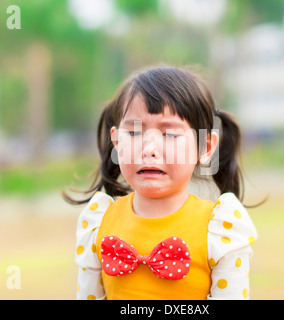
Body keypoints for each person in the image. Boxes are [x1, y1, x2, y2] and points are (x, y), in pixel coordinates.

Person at [63, 65, 258, 300]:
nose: (149, 149)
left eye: (170, 134)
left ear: (205, 147)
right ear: (116, 141)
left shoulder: (221, 229)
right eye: (134, 132)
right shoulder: (99, 221)